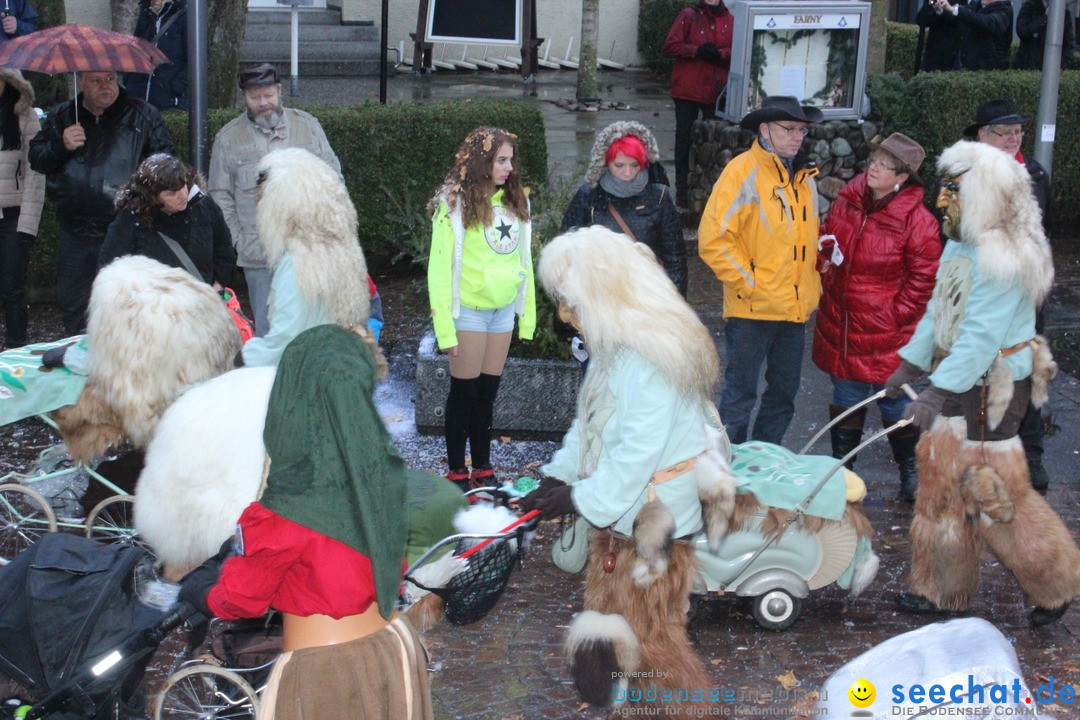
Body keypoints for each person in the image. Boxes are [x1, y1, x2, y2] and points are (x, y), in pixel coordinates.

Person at [523, 226, 735, 713]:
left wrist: (579, 499)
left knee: (652, 639)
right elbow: (591, 423)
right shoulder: (616, 347)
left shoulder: (651, 359)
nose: (564, 316)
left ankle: (683, 710)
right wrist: (559, 475)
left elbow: (639, 452)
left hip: (652, 524)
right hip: (623, 515)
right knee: (613, 621)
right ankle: (629, 704)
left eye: (571, 304)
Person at [178, 324, 434, 720]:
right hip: (393, 648)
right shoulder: (381, 475)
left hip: (327, 674)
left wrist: (200, 589)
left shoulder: (291, 504)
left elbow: (240, 598)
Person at [887, 140, 1080, 627]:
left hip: (991, 388)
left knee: (994, 492)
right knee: (945, 484)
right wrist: (910, 363)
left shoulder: (1003, 254)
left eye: (955, 188)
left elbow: (980, 336)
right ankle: (943, 590)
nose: (943, 198)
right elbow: (942, 310)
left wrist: (936, 390)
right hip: (963, 380)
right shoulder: (963, 242)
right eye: (945, 185)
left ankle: (1055, 581)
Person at [812, 133, 942, 503]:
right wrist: (825, 251)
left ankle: (911, 471)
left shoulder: (918, 221)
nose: (874, 167)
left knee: (894, 401)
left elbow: (924, 279)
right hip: (845, 323)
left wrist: (893, 316)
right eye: (875, 160)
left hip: (889, 333)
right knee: (847, 397)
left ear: (902, 178)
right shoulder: (848, 202)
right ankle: (842, 471)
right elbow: (830, 236)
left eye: (884, 165)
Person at [698, 95, 823, 446]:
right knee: (739, 397)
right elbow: (713, 239)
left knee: (783, 396)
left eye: (802, 129)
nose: (798, 136)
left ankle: (765, 463)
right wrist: (751, 285)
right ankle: (729, 473)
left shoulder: (805, 178)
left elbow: (801, 241)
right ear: (765, 129)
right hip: (751, 309)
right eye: (790, 129)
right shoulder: (741, 171)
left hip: (794, 311)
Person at [427, 127, 535, 490]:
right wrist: (445, 329)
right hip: (469, 312)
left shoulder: (517, 202)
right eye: (500, 159)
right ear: (480, 161)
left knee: (487, 395)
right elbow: (438, 271)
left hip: (502, 312)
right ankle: (458, 472)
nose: (508, 167)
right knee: (464, 394)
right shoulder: (453, 205)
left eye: (510, 159)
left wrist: (526, 318)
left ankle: (484, 467)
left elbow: (526, 263)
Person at [28, 70, 174, 335]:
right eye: (96, 81)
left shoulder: (143, 115)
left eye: (110, 78)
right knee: (75, 307)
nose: (106, 86)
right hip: (75, 231)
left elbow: (165, 167)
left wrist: (140, 200)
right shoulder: (62, 116)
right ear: (81, 82)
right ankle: (77, 364)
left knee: (127, 307)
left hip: (125, 230)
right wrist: (62, 145)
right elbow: (37, 159)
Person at [208, 63, 340, 338]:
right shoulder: (228, 139)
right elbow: (219, 195)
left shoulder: (307, 126)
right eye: (255, 97)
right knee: (269, 329)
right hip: (259, 255)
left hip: (310, 249)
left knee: (315, 324)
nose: (263, 103)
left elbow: (333, 178)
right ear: (244, 97)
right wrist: (238, 239)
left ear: (279, 91)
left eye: (268, 95)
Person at [963, 99, 1052, 491]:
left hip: (1025, 294)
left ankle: (1030, 456)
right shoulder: (962, 174)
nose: (1013, 138)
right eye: (1004, 131)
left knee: (1027, 373)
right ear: (982, 136)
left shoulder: (1035, 174)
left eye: (1018, 131)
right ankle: (975, 455)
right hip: (982, 292)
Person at [239, 147, 371, 368]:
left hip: (307, 377)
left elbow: (286, 338)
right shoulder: (342, 248)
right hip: (339, 370)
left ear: (283, 204)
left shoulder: (299, 262)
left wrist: (245, 357)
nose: (260, 207)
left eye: (263, 198)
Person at [560, 120, 687, 296]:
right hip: (600, 298)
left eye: (634, 165)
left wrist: (676, 304)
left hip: (647, 296)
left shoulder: (659, 196)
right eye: (619, 165)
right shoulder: (588, 196)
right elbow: (565, 253)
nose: (627, 172)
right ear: (606, 163)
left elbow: (675, 260)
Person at [100, 153, 233, 289]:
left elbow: (223, 247)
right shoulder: (130, 220)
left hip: (203, 301)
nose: (182, 195)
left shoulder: (205, 206)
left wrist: (218, 286)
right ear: (153, 196)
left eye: (183, 186)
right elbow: (111, 268)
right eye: (171, 193)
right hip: (154, 306)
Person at [662, 0, 733, 208]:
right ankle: (682, 191)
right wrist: (696, 50)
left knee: (716, 141)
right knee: (684, 139)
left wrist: (721, 54)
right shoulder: (689, 15)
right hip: (687, 89)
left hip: (716, 91)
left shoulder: (730, 19)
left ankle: (710, 188)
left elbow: (740, 49)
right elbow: (670, 45)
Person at [0, 68, 44, 349]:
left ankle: (16, 351)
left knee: (12, 290)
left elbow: (35, 172)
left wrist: (27, 223)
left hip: (13, 217)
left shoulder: (26, 117)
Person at [125, 0, 189, 111]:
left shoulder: (184, 15)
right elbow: (135, 50)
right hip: (139, 99)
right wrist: (130, 83)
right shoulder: (146, 12)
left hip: (170, 101)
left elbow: (195, 62)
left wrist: (176, 88)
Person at [928, 0, 1013, 70]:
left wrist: (956, 10)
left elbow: (987, 22)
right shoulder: (975, 4)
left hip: (990, 68)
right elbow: (957, 19)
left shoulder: (1004, 8)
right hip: (966, 65)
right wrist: (940, 10)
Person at [1013, 0, 1075, 69]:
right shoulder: (1030, 6)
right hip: (1029, 65)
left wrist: (1062, 65)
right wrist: (1044, 18)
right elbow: (1022, 31)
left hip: (1052, 67)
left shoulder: (1064, 12)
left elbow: (1069, 42)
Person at [915, 0, 965, 71]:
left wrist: (942, 12)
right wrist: (936, 11)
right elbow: (920, 19)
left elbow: (960, 19)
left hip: (951, 54)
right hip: (933, 53)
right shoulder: (934, 1)